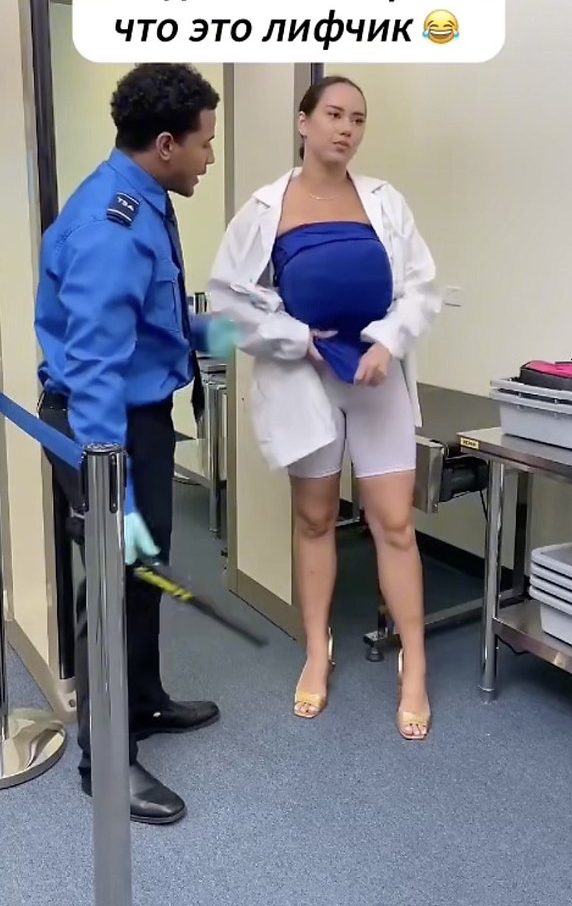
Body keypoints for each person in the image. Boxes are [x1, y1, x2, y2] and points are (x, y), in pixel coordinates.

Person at [208, 75, 441, 739]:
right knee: (314, 520)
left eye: (358, 119)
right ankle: (317, 650)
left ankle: (415, 666)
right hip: (304, 379)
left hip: (375, 377)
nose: (346, 129)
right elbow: (227, 299)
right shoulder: (265, 207)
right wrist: (295, 339)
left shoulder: (385, 201)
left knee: (395, 523)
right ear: (304, 122)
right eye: (334, 114)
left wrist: (389, 342)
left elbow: (421, 288)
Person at [35, 63, 237, 825]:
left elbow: (155, 325)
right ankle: (107, 761)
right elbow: (94, 370)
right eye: (205, 143)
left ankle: (144, 701)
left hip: (139, 418)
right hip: (102, 428)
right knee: (114, 588)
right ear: (166, 144)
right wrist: (107, 488)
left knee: (142, 571)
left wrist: (246, 334)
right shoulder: (111, 226)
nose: (209, 157)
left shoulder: (145, 201)